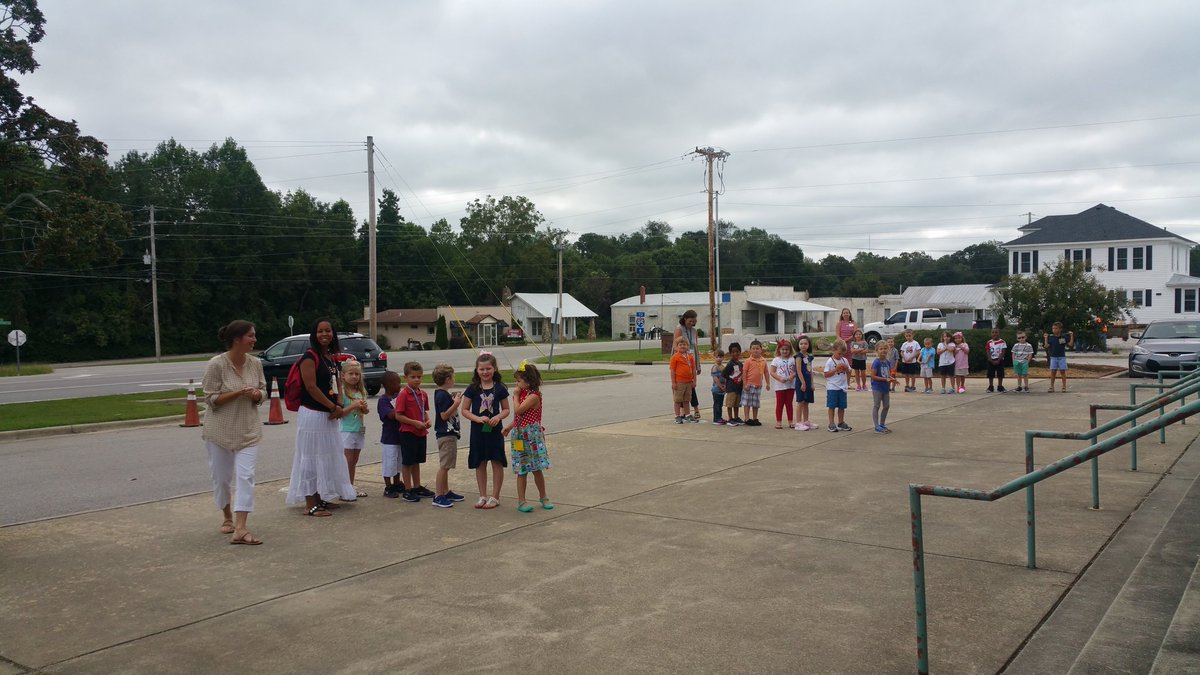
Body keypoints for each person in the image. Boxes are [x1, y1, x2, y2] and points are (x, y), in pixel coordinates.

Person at [201, 319, 266, 545]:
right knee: (221, 479)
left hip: (248, 431)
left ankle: (241, 527)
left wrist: (255, 394)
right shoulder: (216, 365)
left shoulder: (255, 363)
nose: (254, 340)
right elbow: (210, 399)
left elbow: (263, 391)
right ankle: (227, 516)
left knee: (246, 476)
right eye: (250, 336)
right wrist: (237, 393)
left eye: (254, 335)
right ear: (237, 339)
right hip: (219, 432)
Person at [286, 318, 356, 517]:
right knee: (310, 458)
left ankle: (321, 497)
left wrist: (340, 405)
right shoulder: (309, 357)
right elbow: (311, 387)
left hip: (329, 416)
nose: (324, 334)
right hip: (313, 415)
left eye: (328, 331)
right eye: (320, 331)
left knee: (326, 457)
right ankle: (310, 503)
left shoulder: (330, 358)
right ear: (313, 335)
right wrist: (332, 406)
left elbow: (337, 384)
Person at [462, 351, 510, 509]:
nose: (485, 372)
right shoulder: (472, 388)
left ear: (494, 369)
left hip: (495, 431)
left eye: (488, 368)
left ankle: (495, 496)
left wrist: (498, 417)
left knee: (496, 461)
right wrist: (477, 418)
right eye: (482, 369)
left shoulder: (500, 388)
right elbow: (465, 410)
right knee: (480, 462)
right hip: (478, 431)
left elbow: (506, 409)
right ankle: (482, 495)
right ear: (477, 370)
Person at [503, 362, 553, 513]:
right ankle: (521, 501)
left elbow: (518, 410)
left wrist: (516, 396)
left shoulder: (533, 396)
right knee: (522, 468)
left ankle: (543, 496)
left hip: (532, 437)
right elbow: (519, 417)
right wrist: (509, 427)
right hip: (519, 436)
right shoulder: (524, 394)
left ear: (528, 381)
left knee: (537, 468)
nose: (516, 384)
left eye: (519, 381)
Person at [394, 361, 433, 503]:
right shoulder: (403, 395)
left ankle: (417, 487)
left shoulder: (422, 394)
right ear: (406, 378)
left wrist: (427, 420)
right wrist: (415, 423)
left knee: (417, 461)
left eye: (419, 377)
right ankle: (408, 489)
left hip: (421, 432)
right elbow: (398, 415)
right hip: (408, 432)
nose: (416, 380)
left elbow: (424, 411)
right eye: (413, 377)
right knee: (408, 462)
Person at [431, 364, 466, 508]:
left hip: (447, 434)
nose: (454, 379)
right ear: (447, 379)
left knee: (446, 465)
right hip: (446, 434)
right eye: (453, 377)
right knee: (444, 466)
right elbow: (444, 415)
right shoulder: (442, 395)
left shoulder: (440, 393)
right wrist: (456, 403)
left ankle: (445, 491)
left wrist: (453, 399)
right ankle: (438, 495)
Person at [339, 359, 371, 498]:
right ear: (343, 375)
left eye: (357, 374)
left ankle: (350, 486)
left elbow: (365, 412)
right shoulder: (342, 392)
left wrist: (363, 408)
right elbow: (339, 413)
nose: (354, 376)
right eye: (351, 373)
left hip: (359, 429)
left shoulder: (360, 391)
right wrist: (354, 405)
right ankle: (343, 489)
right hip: (346, 430)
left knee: (354, 461)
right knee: (346, 461)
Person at [377, 371, 405, 498]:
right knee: (390, 461)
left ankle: (397, 482)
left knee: (399, 461)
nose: (400, 385)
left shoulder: (398, 397)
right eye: (397, 382)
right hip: (389, 438)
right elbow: (391, 415)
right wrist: (401, 405)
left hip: (400, 436)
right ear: (388, 384)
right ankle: (388, 486)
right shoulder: (383, 400)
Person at [673, 310, 703, 422]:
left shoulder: (694, 331)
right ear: (685, 319)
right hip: (681, 362)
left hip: (692, 361)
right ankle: (687, 411)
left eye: (694, 321)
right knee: (682, 388)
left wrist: (698, 364)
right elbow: (675, 346)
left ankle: (691, 410)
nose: (692, 323)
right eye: (690, 321)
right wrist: (683, 354)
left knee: (691, 387)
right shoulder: (679, 329)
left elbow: (696, 347)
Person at [822, 339, 852, 432]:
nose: (841, 356)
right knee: (832, 406)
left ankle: (841, 422)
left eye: (843, 354)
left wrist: (847, 371)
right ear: (833, 350)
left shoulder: (845, 360)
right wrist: (836, 369)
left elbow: (849, 371)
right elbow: (826, 374)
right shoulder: (830, 362)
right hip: (833, 387)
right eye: (839, 353)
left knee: (842, 406)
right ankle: (831, 423)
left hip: (842, 387)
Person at [869, 341, 898, 433]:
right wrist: (885, 380)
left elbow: (887, 375)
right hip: (877, 387)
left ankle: (882, 423)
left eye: (885, 348)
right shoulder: (876, 362)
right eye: (881, 349)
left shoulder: (887, 362)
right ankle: (876, 426)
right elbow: (873, 376)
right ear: (877, 351)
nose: (883, 351)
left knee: (886, 406)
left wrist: (892, 379)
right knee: (876, 405)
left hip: (885, 387)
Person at [741, 339, 770, 426]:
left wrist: (768, 383)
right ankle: (747, 418)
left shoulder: (763, 361)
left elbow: (766, 372)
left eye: (757, 348)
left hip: (758, 386)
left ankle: (755, 418)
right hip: (749, 385)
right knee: (747, 403)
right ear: (750, 350)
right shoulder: (748, 361)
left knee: (755, 403)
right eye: (753, 348)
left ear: (761, 350)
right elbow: (744, 373)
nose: (755, 350)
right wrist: (745, 384)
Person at [769, 339, 796, 429]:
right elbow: (772, 372)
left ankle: (790, 421)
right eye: (783, 349)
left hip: (790, 385)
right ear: (779, 350)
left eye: (787, 349)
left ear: (790, 350)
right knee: (779, 404)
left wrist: (793, 375)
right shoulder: (776, 360)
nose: (784, 351)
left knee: (789, 404)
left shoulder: (793, 360)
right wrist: (779, 378)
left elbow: (796, 371)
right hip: (780, 386)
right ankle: (779, 421)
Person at [669, 336, 697, 424]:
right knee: (678, 400)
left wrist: (694, 381)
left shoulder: (690, 356)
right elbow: (672, 370)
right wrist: (673, 382)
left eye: (684, 344)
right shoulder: (675, 357)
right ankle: (677, 416)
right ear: (676, 347)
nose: (682, 346)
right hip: (679, 381)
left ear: (687, 346)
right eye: (680, 345)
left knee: (686, 399)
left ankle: (687, 414)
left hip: (688, 381)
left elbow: (693, 369)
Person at [1045, 322, 1074, 393]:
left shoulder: (1063, 337)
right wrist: (1045, 338)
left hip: (1061, 357)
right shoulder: (1051, 337)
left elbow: (1070, 344)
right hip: (1053, 357)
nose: (1054, 330)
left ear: (1060, 329)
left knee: (1062, 372)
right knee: (1053, 372)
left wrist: (1071, 336)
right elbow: (1046, 346)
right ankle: (1051, 386)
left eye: (1056, 328)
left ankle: (1064, 386)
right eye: (1053, 328)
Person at [794, 335, 816, 430]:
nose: (803, 345)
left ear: (808, 345)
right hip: (801, 382)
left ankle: (806, 421)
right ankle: (798, 422)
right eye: (801, 343)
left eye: (805, 343)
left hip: (808, 381)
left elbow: (810, 370)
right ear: (798, 345)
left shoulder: (809, 357)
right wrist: (803, 383)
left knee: (806, 402)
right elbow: (798, 370)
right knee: (800, 401)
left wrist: (812, 383)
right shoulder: (798, 356)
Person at [721, 343, 744, 426]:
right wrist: (725, 384)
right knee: (730, 404)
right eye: (733, 352)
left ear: (740, 352)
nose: (735, 354)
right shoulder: (730, 364)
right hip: (731, 388)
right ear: (730, 353)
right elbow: (724, 374)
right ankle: (730, 418)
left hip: (738, 388)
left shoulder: (740, 364)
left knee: (736, 404)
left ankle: (736, 417)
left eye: (737, 351)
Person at [985, 328, 1008, 393]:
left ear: (999, 333)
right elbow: (988, 351)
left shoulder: (1002, 342)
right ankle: (991, 386)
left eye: (996, 332)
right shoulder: (989, 342)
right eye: (993, 332)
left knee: (1000, 374)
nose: (994, 334)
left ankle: (1000, 386)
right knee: (990, 374)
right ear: (991, 333)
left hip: (999, 360)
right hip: (991, 360)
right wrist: (991, 360)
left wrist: (999, 360)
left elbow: (1003, 352)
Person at [710, 349, 726, 426]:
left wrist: (725, 385)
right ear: (714, 358)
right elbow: (715, 378)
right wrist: (720, 386)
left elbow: (725, 377)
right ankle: (716, 419)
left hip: (722, 390)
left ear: (723, 358)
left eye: (720, 357)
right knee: (717, 404)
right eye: (717, 357)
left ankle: (720, 417)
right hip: (716, 389)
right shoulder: (715, 367)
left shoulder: (723, 367)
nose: (719, 358)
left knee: (720, 404)